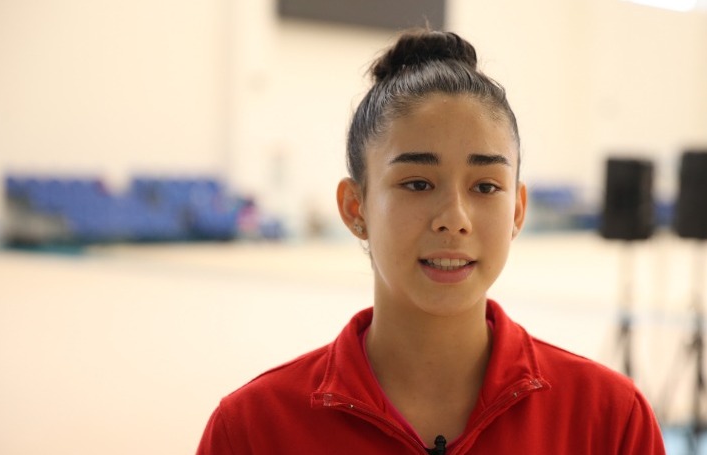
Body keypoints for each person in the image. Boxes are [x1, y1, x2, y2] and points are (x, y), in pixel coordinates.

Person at [196, 29, 666, 454]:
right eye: (418, 183)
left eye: (486, 187)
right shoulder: (252, 429)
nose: (454, 219)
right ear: (355, 207)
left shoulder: (609, 420)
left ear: (517, 210)